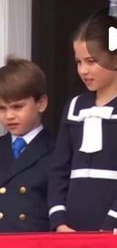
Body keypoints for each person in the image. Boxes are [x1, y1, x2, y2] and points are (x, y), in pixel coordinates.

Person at [48, 13, 117, 232]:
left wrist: (114, 225)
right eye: (79, 62)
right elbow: (59, 168)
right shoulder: (75, 106)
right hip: (71, 227)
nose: (83, 70)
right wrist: (59, 221)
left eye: (91, 61)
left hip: (115, 226)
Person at [0, 57, 55, 232]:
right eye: (2, 108)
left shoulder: (58, 150)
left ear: (41, 103)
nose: (9, 116)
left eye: (17, 107)